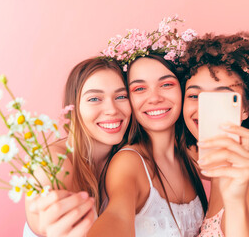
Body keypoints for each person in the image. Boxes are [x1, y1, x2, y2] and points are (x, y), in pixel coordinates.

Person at [180, 32, 249, 236]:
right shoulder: (218, 167)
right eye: (195, 95)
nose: (204, 109)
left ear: (246, 109)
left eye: (220, 97)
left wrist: (235, 203)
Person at [87, 54, 208, 237]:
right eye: (139, 88)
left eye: (166, 84)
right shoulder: (129, 161)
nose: (154, 98)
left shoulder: (190, 157)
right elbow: (117, 215)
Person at [24, 57, 131, 237]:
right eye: (95, 98)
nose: (112, 109)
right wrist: (43, 222)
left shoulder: (128, 158)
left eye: (120, 96)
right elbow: (41, 211)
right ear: (73, 108)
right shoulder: (53, 160)